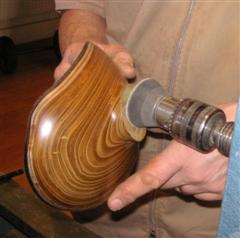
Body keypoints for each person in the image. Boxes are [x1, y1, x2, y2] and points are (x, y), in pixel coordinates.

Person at [54, 1, 239, 237]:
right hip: (104, 195)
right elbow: (84, 6)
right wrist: (85, 49)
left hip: (214, 220)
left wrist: (237, 149)